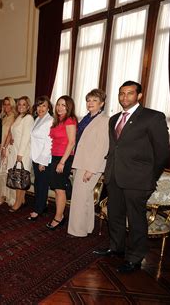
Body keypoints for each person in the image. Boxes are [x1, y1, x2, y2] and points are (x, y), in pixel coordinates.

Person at [94, 81, 169, 273]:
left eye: (129, 93)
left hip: (138, 180)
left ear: (139, 96)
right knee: (115, 215)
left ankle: (135, 257)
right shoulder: (114, 119)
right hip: (115, 176)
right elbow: (114, 148)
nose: (124, 97)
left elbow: (162, 153)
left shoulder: (153, 117)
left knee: (136, 220)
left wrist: (150, 178)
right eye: (121, 94)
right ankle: (116, 247)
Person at [67, 89, 109, 236]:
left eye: (94, 100)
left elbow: (102, 147)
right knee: (85, 197)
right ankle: (87, 227)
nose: (90, 103)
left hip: (91, 165)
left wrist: (91, 169)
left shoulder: (104, 120)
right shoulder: (86, 118)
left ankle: (77, 230)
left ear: (102, 103)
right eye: (88, 100)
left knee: (79, 198)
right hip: (81, 162)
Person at [47, 95, 77, 230]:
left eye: (63, 105)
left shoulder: (69, 120)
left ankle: (59, 217)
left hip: (63, 158)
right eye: (58, 104)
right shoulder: (57, 121)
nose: (59, 107)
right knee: (57, 187)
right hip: (55, 157)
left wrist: (62, 162)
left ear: (69, 107)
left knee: (60, 189)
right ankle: (59, 215)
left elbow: (71, 143)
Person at [2, 96, 34, 212]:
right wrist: (10, 142)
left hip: (23, 152)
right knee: (18, 177)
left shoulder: (29, 118)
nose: (21, 106)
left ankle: (18, 202)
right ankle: (22, 200)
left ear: (28, 106)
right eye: (19, 104)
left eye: (23, 104)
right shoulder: (19, 117)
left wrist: (20, 154)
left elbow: (26, 137)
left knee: (20, 178)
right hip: (15, 150)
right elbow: (14, 133)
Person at [28, 96, 54, 221]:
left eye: (44, 105)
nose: (41, 108)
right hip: (35, 156)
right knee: (38, 183)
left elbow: (49, 143)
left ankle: (38, 209)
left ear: (48, 107)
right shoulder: (38, 118)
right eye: (39, 105)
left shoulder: (50, 120)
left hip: (43, 158)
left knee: (42, 184)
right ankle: (41, 206)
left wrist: (43, 161)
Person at [0, 97, 17, 206]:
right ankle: (3, 195)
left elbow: (10, 134)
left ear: (12, 105)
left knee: (5, 173)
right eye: (5, 104)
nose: (6, 106)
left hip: (8, 148)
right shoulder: (4, 117)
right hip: (3, 146)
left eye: (9, 104)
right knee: (3, 172)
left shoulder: (14, 117)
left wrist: (4, 148)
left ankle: (5, 197)